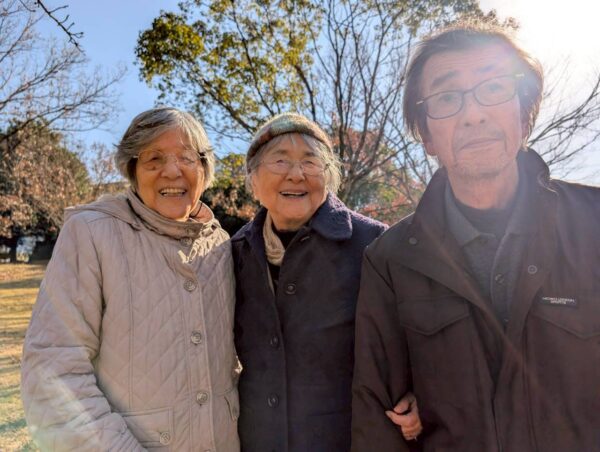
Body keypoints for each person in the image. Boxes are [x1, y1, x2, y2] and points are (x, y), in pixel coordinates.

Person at [352, 21, 600, 452]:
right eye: (447, 97)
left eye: (494, 87)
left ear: (524, 113)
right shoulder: (391, 259)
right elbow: (377, 421)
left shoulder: (592, 221)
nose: (473, 114)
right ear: (426, 136)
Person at [21, 107, 239, 451]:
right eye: (154, 159)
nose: (172, 171)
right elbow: (53, 371)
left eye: (186, 157)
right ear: (133, 170)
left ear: (204, 169)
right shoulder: (91, 234)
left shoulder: (222, 244)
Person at [231, 113, 396, 451]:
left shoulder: (375, 243)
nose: (296, 174)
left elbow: (411, 339)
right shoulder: (234, 253)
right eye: (280, 161)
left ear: (328, 176)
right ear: (254, 180)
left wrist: (415, 393)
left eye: (310, 161)